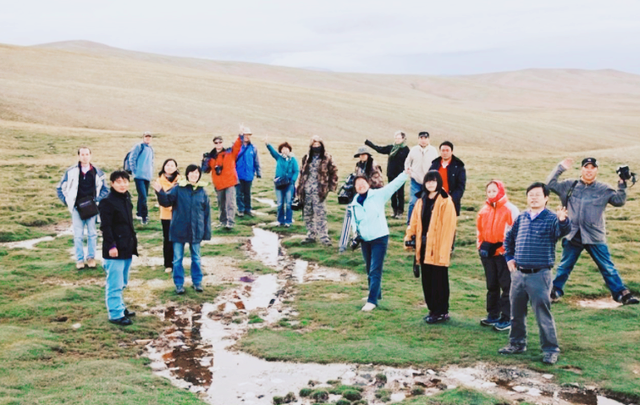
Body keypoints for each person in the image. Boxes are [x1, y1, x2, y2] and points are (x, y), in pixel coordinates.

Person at [547, 158, 638, 305]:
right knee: (564, 266)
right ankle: (554, 292)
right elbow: (550, 184)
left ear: (596, 170)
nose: (589, 170)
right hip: (573, 234)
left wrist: (622, 183)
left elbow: (619, 201)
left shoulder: (603, 188)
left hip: (594, 235)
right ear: (582, 170)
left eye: (592, 167)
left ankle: (622, 294)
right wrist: (560, 168)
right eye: (586, 167)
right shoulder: (570, 185)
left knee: (607, 267)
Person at [499, 182, 571, 365]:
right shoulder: (522, 217)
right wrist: (509, 258)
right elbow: (509, 239)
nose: (533, 197)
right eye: (530, 194)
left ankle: (550, 349)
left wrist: (563, 220)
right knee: (516, 312)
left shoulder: (551, 218)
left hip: (540, 275)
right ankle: (516, 343)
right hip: (518, 273)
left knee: (542, 313)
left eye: (538, 194)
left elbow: (562, 231)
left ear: (546, 198)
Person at [349, 168, 409, 311]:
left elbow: (393, 186)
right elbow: (353, 221)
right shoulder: (354, 203)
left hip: (379, 238)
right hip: (365, 239)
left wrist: (405, 173)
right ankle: (375, 293)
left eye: (363, 183)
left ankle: (372, 301)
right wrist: (355, 235)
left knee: (375, 269)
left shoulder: (378, 195)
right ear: (355, 188)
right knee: (369, 268)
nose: (361, 186)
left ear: (368, 183)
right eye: (358, 184)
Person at [404, 171, 457, 324]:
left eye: (434, 181)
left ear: (438, 183)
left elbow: (449, 228)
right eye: (428, 181)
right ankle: (433, 309)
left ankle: (441, 311)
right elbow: (414, 222)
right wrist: (409, 236)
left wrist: (443, 249)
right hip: (424, 246)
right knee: (427, 280)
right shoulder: (421, 201)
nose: (431, 184)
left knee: (439, 280)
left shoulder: (446, 202)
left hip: (439, 247)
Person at [153, 164, 211, 295]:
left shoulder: (202, 191)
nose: (194, 175)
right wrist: (160, 192)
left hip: (196, 230)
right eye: (191, 173)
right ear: (187, 174)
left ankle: (197, 282)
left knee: (196, 258)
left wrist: (206, 232)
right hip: (179, 229)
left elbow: (206, 213)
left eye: (196, 173)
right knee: (177, 259)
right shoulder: (178, 188)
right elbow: (166, 202)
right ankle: (179, 284)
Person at [476, 180, 520, 331]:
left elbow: (514, 232)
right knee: (492, 285)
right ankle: (493, 314)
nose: (492, 194)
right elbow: (479, 231)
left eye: (494, 191)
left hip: (503, 255)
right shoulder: (483, 211)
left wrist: (506, 250)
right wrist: (480, 246)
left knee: (507, 285)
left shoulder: (510, 209)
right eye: (489, 191)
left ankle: (507, 317)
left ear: (501, 190)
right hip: (487, 254)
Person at [56, 147, 109, 269]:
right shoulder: (71, 172)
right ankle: (79, 260)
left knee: (92, 233)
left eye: (87, 154)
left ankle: (91, 258)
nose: (84, 156)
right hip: (76, 207)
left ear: (90, 155)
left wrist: (97, 200)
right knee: (78, 235)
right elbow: (60, 188)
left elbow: (105, 189)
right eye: (82, 154)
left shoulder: (98, 172)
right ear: (79, 156)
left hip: (91, 208)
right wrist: (68, 201)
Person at [99, 170, 138, 326]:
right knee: (114, 283)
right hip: (114, 250)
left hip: (127, 247)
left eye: (125, 181)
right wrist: (111, 245)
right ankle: (115, 314)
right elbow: (105, 227)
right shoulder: (107, 202)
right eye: (119, 182)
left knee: (122, 281)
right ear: (112, 184)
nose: (123, 185)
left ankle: (120, 307)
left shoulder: (126, 199)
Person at [297, 135, 339, 246]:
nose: (316, 147)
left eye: (318, 144)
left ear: (322, 145)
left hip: (319, 191)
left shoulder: (327, 158)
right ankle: (311, 235)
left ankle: (324, 237)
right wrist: (299, 187)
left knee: (320, 214)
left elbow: (334, 172)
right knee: (307, 214)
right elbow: (302, 173)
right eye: (314, 145)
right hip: (306, 190)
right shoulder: (306, 157)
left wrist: (330, 187)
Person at [365, 131, 410, 218]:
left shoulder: (406, 150)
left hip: (401, 174)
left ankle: (400, 212)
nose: (397, 140)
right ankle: (394, 211)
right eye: (396, 138)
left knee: (400, 193)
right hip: (391, 173)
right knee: (391, 192)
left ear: (403, 139)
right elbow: (380, 149)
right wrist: (369, 143)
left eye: (399, 138)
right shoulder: (391, 148)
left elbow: (410, 161)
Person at [202, 134, 242, 229]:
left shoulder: (229, 152)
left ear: (222, 143)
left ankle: (230, 222)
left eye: (220, 142)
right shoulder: (211, 157)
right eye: (216, 142)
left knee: (230, 203)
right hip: (219, 184)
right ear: (214, 144)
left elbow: (237, 146)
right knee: (221, 204)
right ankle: (223, 221)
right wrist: (204, 160)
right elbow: (205, 170)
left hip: (230, 182)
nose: (218, 144)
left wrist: (240, 135)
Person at [404, 131, 438, 224]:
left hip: (428, 182)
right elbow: (407, 162)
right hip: (416, 181)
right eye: (421, 138)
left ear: (428, 139)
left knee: (428, 203)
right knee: (413, 202)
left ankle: (425, 223)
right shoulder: (414, 150)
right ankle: (410, 224)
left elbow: (436, 164)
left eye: (425, 138)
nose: (423, 140)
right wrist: (409, 172)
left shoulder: (433, 150)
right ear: (418, 139)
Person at [265, 138, 299, 227]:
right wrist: (268, 144)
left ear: (289, 149)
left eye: (286, 148)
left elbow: (296, 171)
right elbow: (272, 152)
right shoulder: (279, 158)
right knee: (280, 204)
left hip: (289, 185)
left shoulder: (293, 160)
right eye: (283, 149)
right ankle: (280, 221)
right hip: (279, 184)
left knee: (288, 203)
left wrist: (292, 181)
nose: (285, 150)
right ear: (281, 150)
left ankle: (288, 221)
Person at [429, 141, 466, 217]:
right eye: (443, 150)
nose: (445, 152)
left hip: (450, 200)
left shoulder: (458, 166)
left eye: (447, 150)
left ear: (451, 151)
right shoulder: (434, 165)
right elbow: (428, 181)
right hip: (434, 200)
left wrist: (451, 199)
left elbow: (460, 186)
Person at [157, 158, 181, 273]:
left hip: (178, 214)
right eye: (167, 165)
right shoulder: (159, 181)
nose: (170, 167)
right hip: (166, 214)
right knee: (167, 239)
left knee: (178, 239)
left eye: (172, 165)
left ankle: (177, 261)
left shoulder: (181, 181)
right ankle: (168, 264)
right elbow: (161, 198)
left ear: (176, 168)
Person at [128, 131, 155, 225]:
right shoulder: (139, 146)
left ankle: (139, 214)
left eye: (149, 137)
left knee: (143, 196)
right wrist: (134, 170)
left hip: (147, 177)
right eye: (146, 137)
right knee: (143, 196)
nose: (148, 138)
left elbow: (151, 162)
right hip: (139, 176)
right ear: (143, 138)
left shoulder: (151, 149)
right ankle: (144, 216)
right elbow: (132, 158)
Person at [235, 127, 261, 217]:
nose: (247, 137)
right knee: (239, 193)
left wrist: (258, 172)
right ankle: (240, 210)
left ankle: (248, 209)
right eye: (245, 135)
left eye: (248, 135)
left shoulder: (253, 148)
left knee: (247, 193)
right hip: (238, 174)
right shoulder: (237, 146)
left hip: (249, 174)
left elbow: (256, 160)